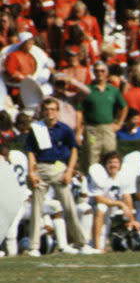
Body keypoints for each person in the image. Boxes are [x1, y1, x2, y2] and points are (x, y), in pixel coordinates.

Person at [25, 98, 99, 256]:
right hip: (41, 168)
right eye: (47, 110)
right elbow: (30, 151)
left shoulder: (64, 129)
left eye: (53, 109)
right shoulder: (37, 129)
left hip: (59, 168)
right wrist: (31, 172)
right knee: (36, 208)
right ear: (42, 112)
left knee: (70, 207)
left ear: (57, 111)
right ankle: (34, 247)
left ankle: (82, 243)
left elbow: (74, 150)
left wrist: (69, 171)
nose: (50, 112)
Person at [76, 60, 128, 171]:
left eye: (102, 71)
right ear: (94, 72)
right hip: (92, 130)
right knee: (91, 158)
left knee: (110, 157)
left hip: (107, 128)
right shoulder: (87, 89)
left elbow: (124, 107)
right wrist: (79, 130)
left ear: (106, 73)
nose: (100, 73)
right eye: (97, 71)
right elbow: (79, 111)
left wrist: (119, 122)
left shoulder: (113, 90)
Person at [87, 151, 140, 252]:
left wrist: (132, 220)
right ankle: (96, 247)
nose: (113, 165)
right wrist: (119, 203)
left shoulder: (123, 175)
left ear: (120, 164)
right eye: (110, 162)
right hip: (91, 211)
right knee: (101, 207)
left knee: (99, 243)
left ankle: (97, 245)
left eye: (116, 162)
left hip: (108, 213)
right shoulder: (99, 173)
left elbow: (127, 196)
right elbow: (98, 198)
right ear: (105, 164)